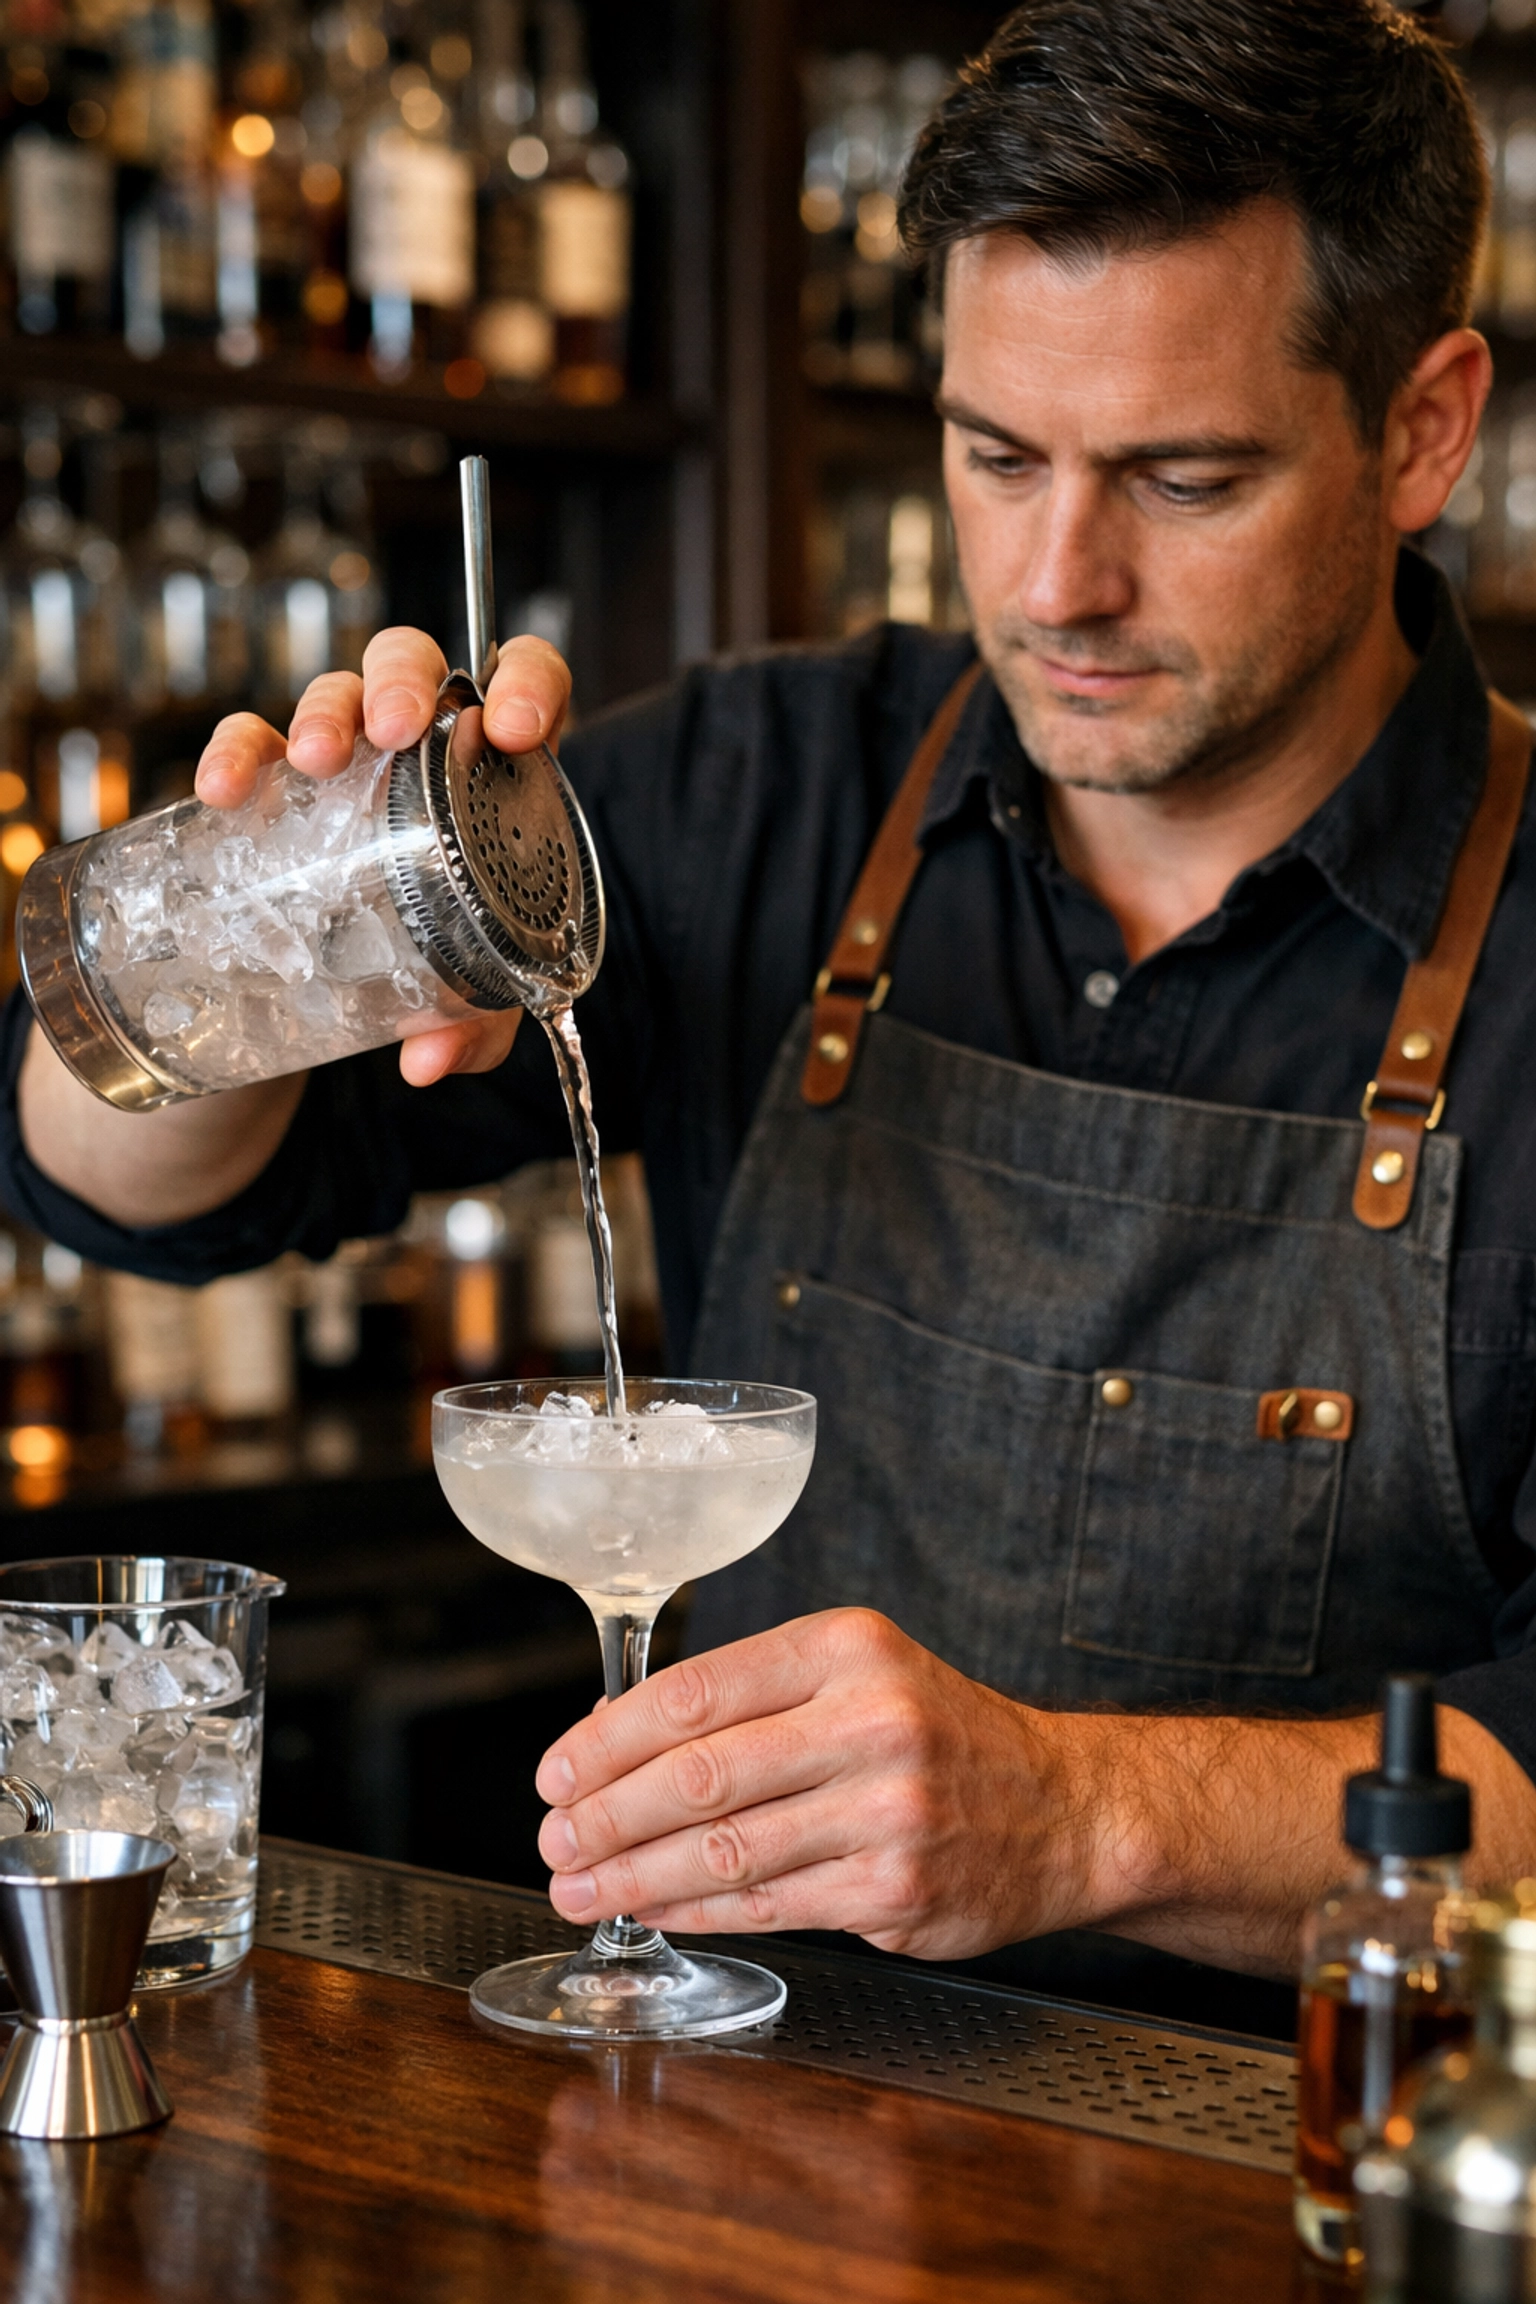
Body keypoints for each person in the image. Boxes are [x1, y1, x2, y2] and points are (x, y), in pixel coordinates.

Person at [7, 0, 1536, 2021]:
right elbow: (119, 1192)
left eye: (1185, 478)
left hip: (1312, 2163)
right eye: (996, 456)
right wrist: (260, 924)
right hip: (756, 2126)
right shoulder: (776, 783)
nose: (1059, 581)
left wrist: (1078, 1816)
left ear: (1423, 426)